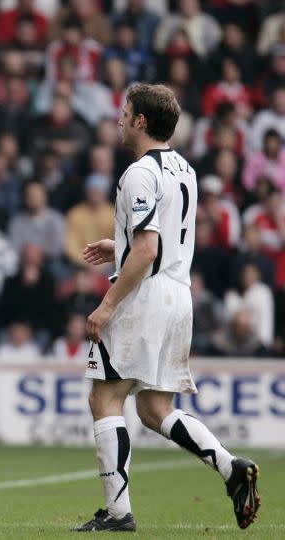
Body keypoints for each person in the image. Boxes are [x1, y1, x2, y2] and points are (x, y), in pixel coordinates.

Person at [75, 84, 260, 532]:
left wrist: (106, 305)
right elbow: (160, 237)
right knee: (155, 408)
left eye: (124, 112)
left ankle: (118, 513)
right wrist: (118, 244)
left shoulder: (138, 173)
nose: (119, 118)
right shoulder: (186, 169)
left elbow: (147, 249)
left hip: (145, 294)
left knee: (105, 397)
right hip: (178, 294)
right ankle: (230, 467)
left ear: (141, 121)